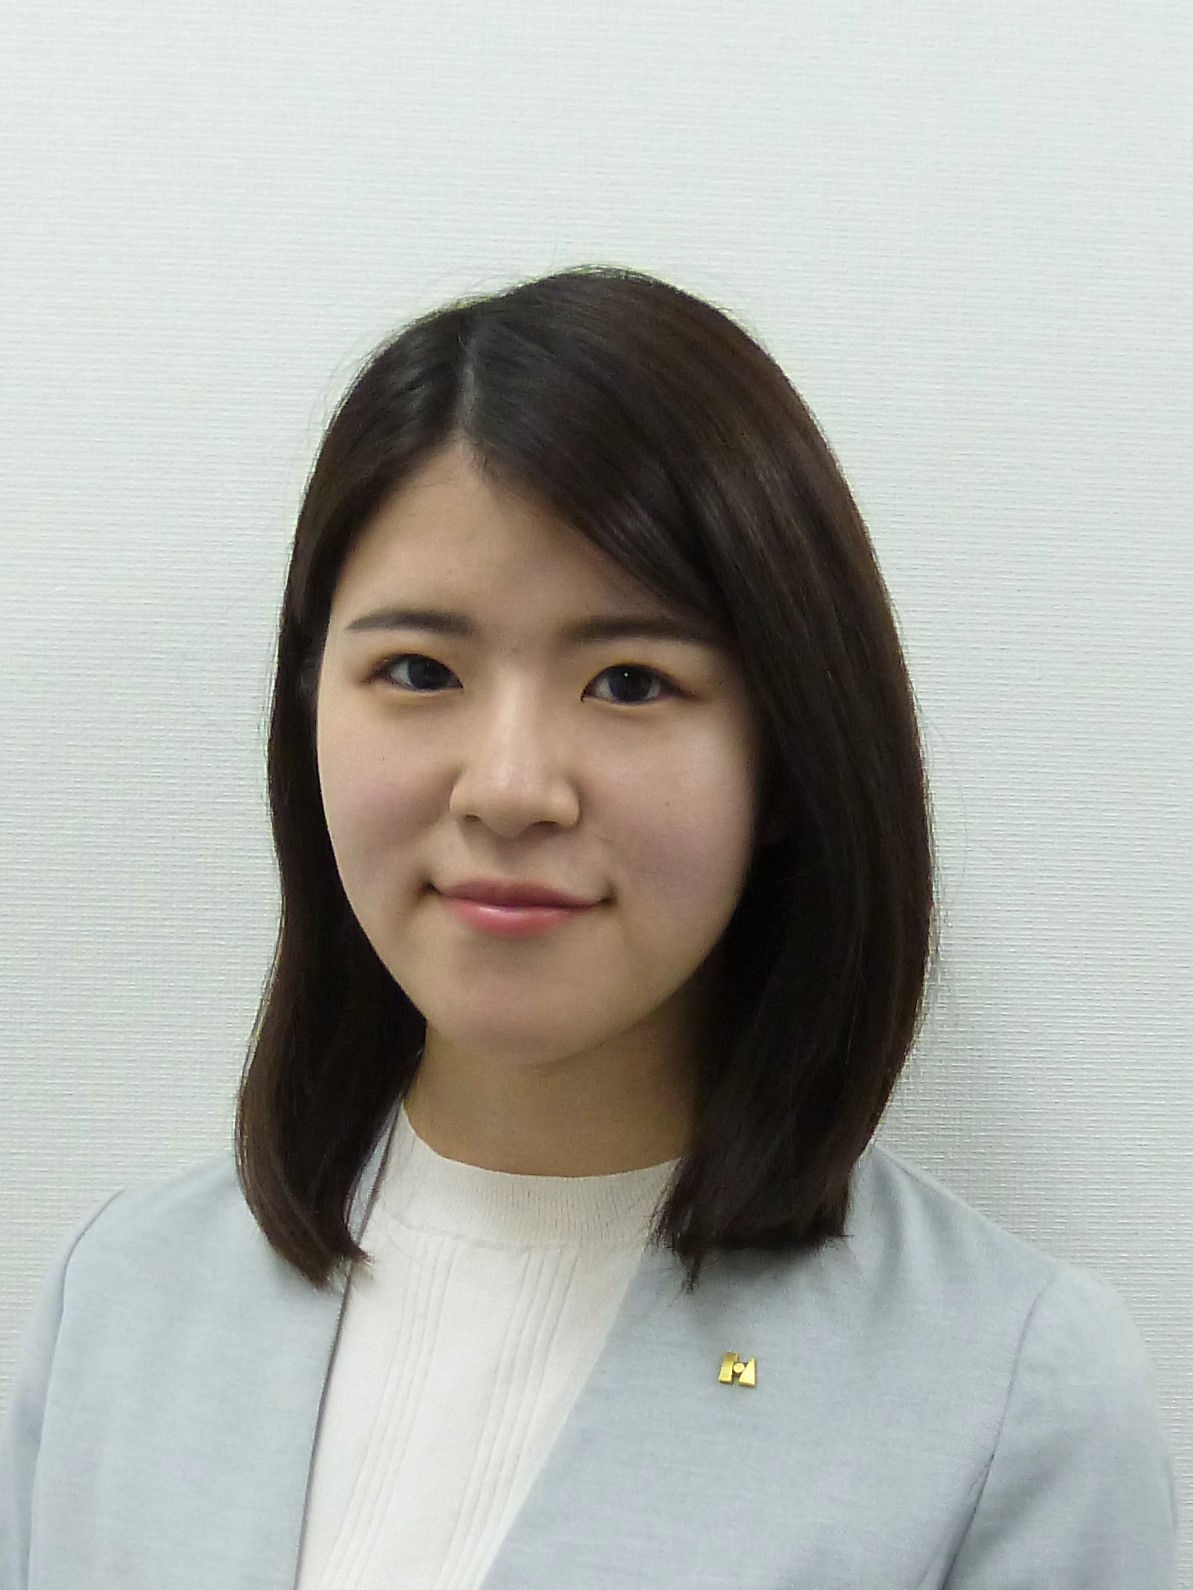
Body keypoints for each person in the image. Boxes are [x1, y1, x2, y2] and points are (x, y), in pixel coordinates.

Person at [0, 265, 1177, 1589]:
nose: (509, 787)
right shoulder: (121, 1305)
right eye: (417, 670)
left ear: (786, 755)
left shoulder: (1007, 1399)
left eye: (629, 681)